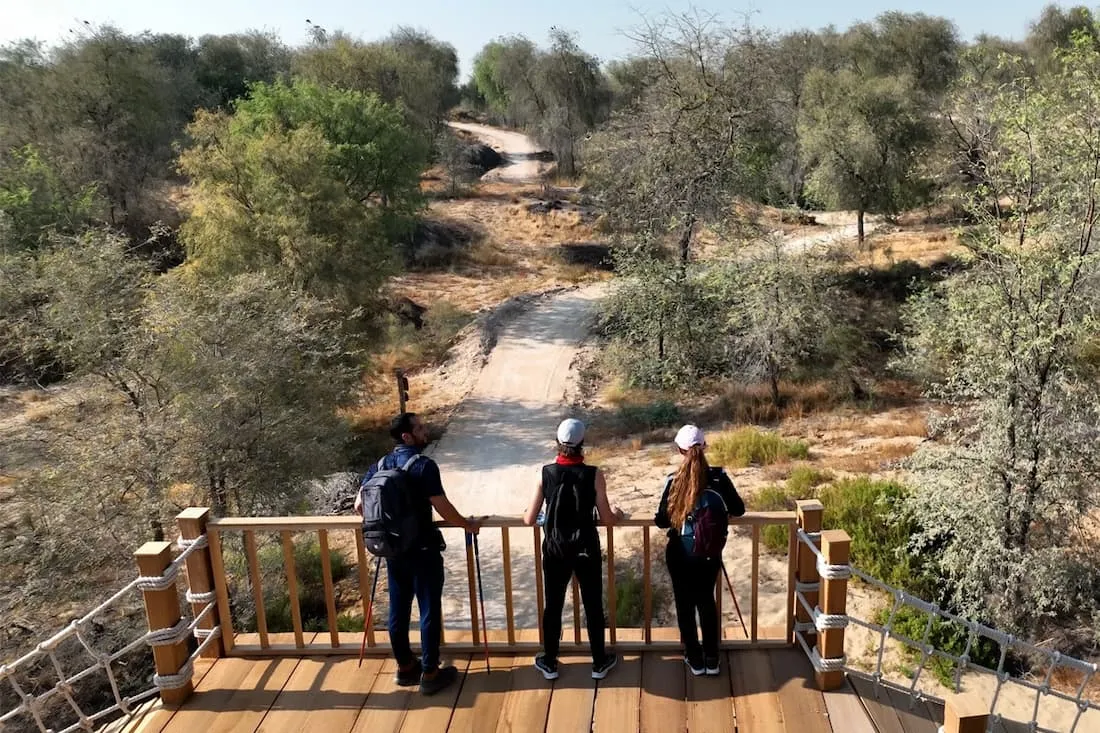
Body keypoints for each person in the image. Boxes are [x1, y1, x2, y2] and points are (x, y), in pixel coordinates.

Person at [355, 412, 481, 696]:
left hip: (393, 550)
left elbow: (359, 505)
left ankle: (404, 667)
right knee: (428, 608)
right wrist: (467, 525)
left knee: (398, 609)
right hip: (423, 548)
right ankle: (430, 672)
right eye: (420, 428)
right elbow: (441, 506)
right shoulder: (423, 466)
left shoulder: (380, 465)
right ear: (407, 436)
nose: (426, 431)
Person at [524, 418, 624, 681]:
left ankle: (549, 661)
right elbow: (607, 516)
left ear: (557, 443)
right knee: (592, 603)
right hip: (585, 548)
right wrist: (618, 514)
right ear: (582, 444)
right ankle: (599, 662)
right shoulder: (594, 474)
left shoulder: (544, 473)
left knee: (553, 605)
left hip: (555, 549)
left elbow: (528, 518)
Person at [654, 424, 745, 677]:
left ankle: (694, 659)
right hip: (709, 552)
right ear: (704, 447)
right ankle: (712, 658)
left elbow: (662, 520)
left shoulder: (674, 480)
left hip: (680, 553)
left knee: (685, 605)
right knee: (706, 602)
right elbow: (739, 509)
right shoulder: (719, 477)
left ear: (679, 450)